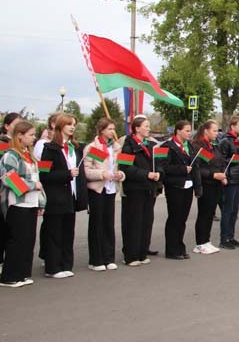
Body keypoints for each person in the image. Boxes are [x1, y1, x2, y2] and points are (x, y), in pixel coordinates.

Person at [39, 113, 87, 278]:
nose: (72, 127)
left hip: (71, 197)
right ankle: (52, 267)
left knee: (68, 232)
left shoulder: (75, 148)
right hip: (56, 197)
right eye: (69, 124)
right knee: (54, 232)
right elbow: (44, 175)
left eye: (74, 124)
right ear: (60, 127)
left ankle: (66, 264)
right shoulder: (49, 148)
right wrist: (66, 174)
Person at [0, 121, 45, 287]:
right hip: (17, 204)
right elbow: (9, 179)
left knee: (28, 240)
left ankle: (23, 273)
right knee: (17, 240)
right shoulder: (10, 155)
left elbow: (36, 178)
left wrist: (41, 202)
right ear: (20, 136)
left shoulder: (29, 156)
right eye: (31, 135)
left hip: (31, 203)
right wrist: (33, 186)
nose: (34, 138)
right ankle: (9, 276)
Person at [119, 116, 163, 266]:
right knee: (134, 222)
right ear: (137, 128)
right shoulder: (128, 145)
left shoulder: (151, 145)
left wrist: (158, 173)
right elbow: (125, 167)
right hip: (134, 189)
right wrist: (146, 174)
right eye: (146, 126)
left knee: (146, 222)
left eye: (149, 126)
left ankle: (142, 253)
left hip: (149, 188)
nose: (148, 129)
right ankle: (131, 255)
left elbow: (159, 162)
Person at [83, 117, 125, 271]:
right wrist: (102, 174)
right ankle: (96, 259)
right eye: (109, 129)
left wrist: (120, 174)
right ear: (101, 130)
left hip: (111, 189)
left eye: (114, 129)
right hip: (97, 189)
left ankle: (109, 257)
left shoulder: (116, 147)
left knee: (109, 224)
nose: (113, 132)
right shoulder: (93, 148)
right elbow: (87, 171)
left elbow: (120, 167)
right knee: (97, 224)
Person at [162, 121, 198, 259]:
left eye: (190, 131)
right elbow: (165, 167)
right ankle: (171, 249)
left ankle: (180, 246)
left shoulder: (188, 146)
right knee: (174, 218)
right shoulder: (169, 146)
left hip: (187, 185)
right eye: (187, 131)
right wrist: (182, 169)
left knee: (182, 218)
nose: (189, 133)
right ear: (178, 131)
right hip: (175, 186)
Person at [191, 120, 225, 255]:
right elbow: (198, 168)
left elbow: (219, 161)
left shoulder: (213, 146)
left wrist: (222, 173)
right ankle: (200, 243)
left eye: (217, 131)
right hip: (206, 184)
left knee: (210, 213)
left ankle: (206, 240)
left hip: (216, 183)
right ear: (206, 130)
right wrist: (213, 175)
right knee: (204, 214)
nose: (217, 134)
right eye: (214, 131)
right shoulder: (198, 146)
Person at [218, 116, 239, 249]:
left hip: (238, 178)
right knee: (227, 210)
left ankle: (231, 236)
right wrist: (236, 158)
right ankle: (224, 238)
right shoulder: (225, 141)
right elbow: (222, 160)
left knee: (235, 210)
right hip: (230, 179)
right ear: (232, 126)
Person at [0, 112, 21, 269]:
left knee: (12, 229)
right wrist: (22, 188)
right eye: (16, 123)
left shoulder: (21, 146)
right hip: (5, 191)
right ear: (7, 126)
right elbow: (6, 172)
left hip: (18, 194)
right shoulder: (3, 144)